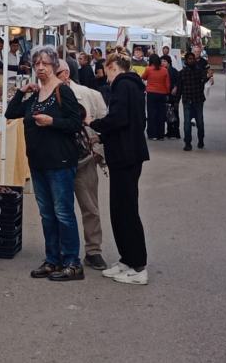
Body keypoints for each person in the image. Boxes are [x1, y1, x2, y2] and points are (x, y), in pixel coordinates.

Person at [5, 45, 83, 282]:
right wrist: (21, 92)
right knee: (47, 214)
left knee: (63, 213)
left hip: (60, 162)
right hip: (38, 163)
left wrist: (52, 121)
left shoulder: (63, 91)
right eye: (36, 63)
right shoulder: (34, 95)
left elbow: (75, 123)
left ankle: (72, 262)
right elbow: (11, 113)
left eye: (45, 63)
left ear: (55, 66)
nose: (40, 67)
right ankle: (52, 259)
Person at [88, 52, 150, 285]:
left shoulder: (123, 85)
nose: (105, 75)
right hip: (126, 154)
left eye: (107, 69)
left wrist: (95, 124)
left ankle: (138, 265)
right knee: (120, 209)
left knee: (126, 210)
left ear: (114, 67)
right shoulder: (132, 85)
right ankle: (127, 259)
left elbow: (118, 119)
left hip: (126, 156)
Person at [56, 58, 108, 270]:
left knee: (90, 207)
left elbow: (105, 124)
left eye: (53, 71)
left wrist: (97, 148)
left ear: (65, 74)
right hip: (57, 159)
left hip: (83, 159)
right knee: (60, 209)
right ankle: (63, 251)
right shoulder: (44, 95)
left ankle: (93, 250)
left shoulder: (90, 95)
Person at [176, 51, 212, 150]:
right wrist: (176, 101)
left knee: (200, 122)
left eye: (193, 59)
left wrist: (207, 78)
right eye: (189, 59)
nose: (191, 60)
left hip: (198, 100)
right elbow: (179, 88)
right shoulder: (182, 73)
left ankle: (201, 140)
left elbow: (203, 80)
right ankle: (187, 143)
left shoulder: (199, 71)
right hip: (187, 100)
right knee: (187, 123)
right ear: (186, 60)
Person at [141, 54, 170, 141]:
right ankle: (160, 135)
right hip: (162, 94)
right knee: (161, 114)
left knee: (151, 114)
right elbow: (167, 84)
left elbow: (143, 77)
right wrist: (167, 93)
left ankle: (152, 134)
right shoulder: (165, 70)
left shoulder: (148, 69)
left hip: (151, 93)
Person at [162, 55, 182, 140]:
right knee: (169, 113)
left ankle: (176, 132)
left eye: (164, 61)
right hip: (168, 95)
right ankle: (170, 131)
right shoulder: (165, 70)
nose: (163, 63)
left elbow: (178, 82)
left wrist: (176, 87)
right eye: (162, 61)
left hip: (173, 96)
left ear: (169, 62)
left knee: (174, 113)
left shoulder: (173, 71)